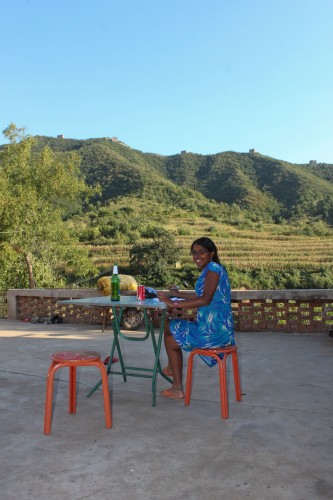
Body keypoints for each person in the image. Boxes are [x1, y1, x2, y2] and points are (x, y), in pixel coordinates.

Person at [157, 237, 234, 401]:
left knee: (169, 326)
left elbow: (204, 300)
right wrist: (177, 295)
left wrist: (172, 303)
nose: (197, 256)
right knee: (170, 330)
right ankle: (172, 373)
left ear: (211, 253)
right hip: (221, 332)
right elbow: (202, 296)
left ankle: (176, 384)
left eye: (201, 252)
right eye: (194, 253)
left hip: (210, 334)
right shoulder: (214, 269)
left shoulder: (213, 268)